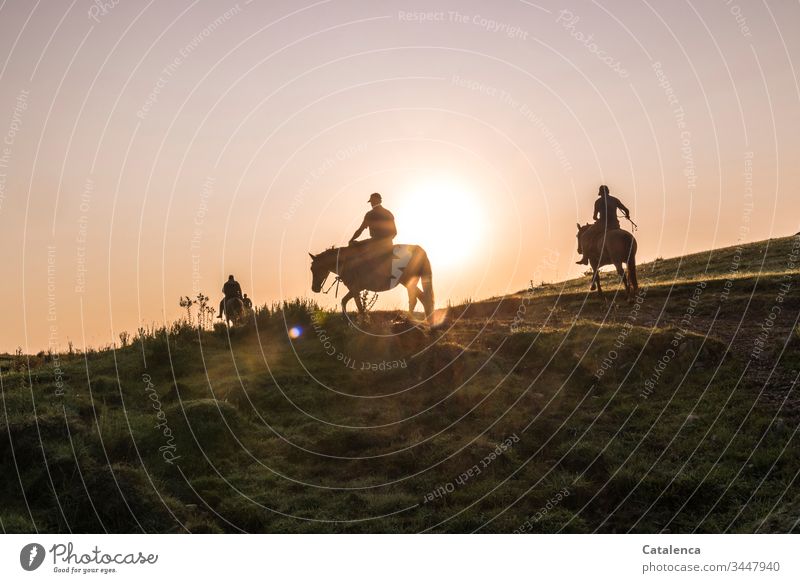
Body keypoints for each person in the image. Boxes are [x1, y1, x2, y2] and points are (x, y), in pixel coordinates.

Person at [348, 192, 397, 288]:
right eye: (371, 201)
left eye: (373, 201)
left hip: (374, 242)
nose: (371, 203)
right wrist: (387, 242)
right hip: (388, 243)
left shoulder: (370, 214)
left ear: (379, 201)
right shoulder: (388, 213)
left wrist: (351, 240)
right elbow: (395, 232)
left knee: (355, 247)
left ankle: (361, 277)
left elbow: (360, 230)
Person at [576, 185, 631, 265]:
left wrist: (596, 218)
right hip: (615, 225)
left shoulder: (598, 201)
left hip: (602, 225)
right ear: (608, 191)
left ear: (600, 193)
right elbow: (626, 210)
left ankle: (584, 259)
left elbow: (594, 217)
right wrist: (627, 215)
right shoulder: (615, 200)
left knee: (584, 236)